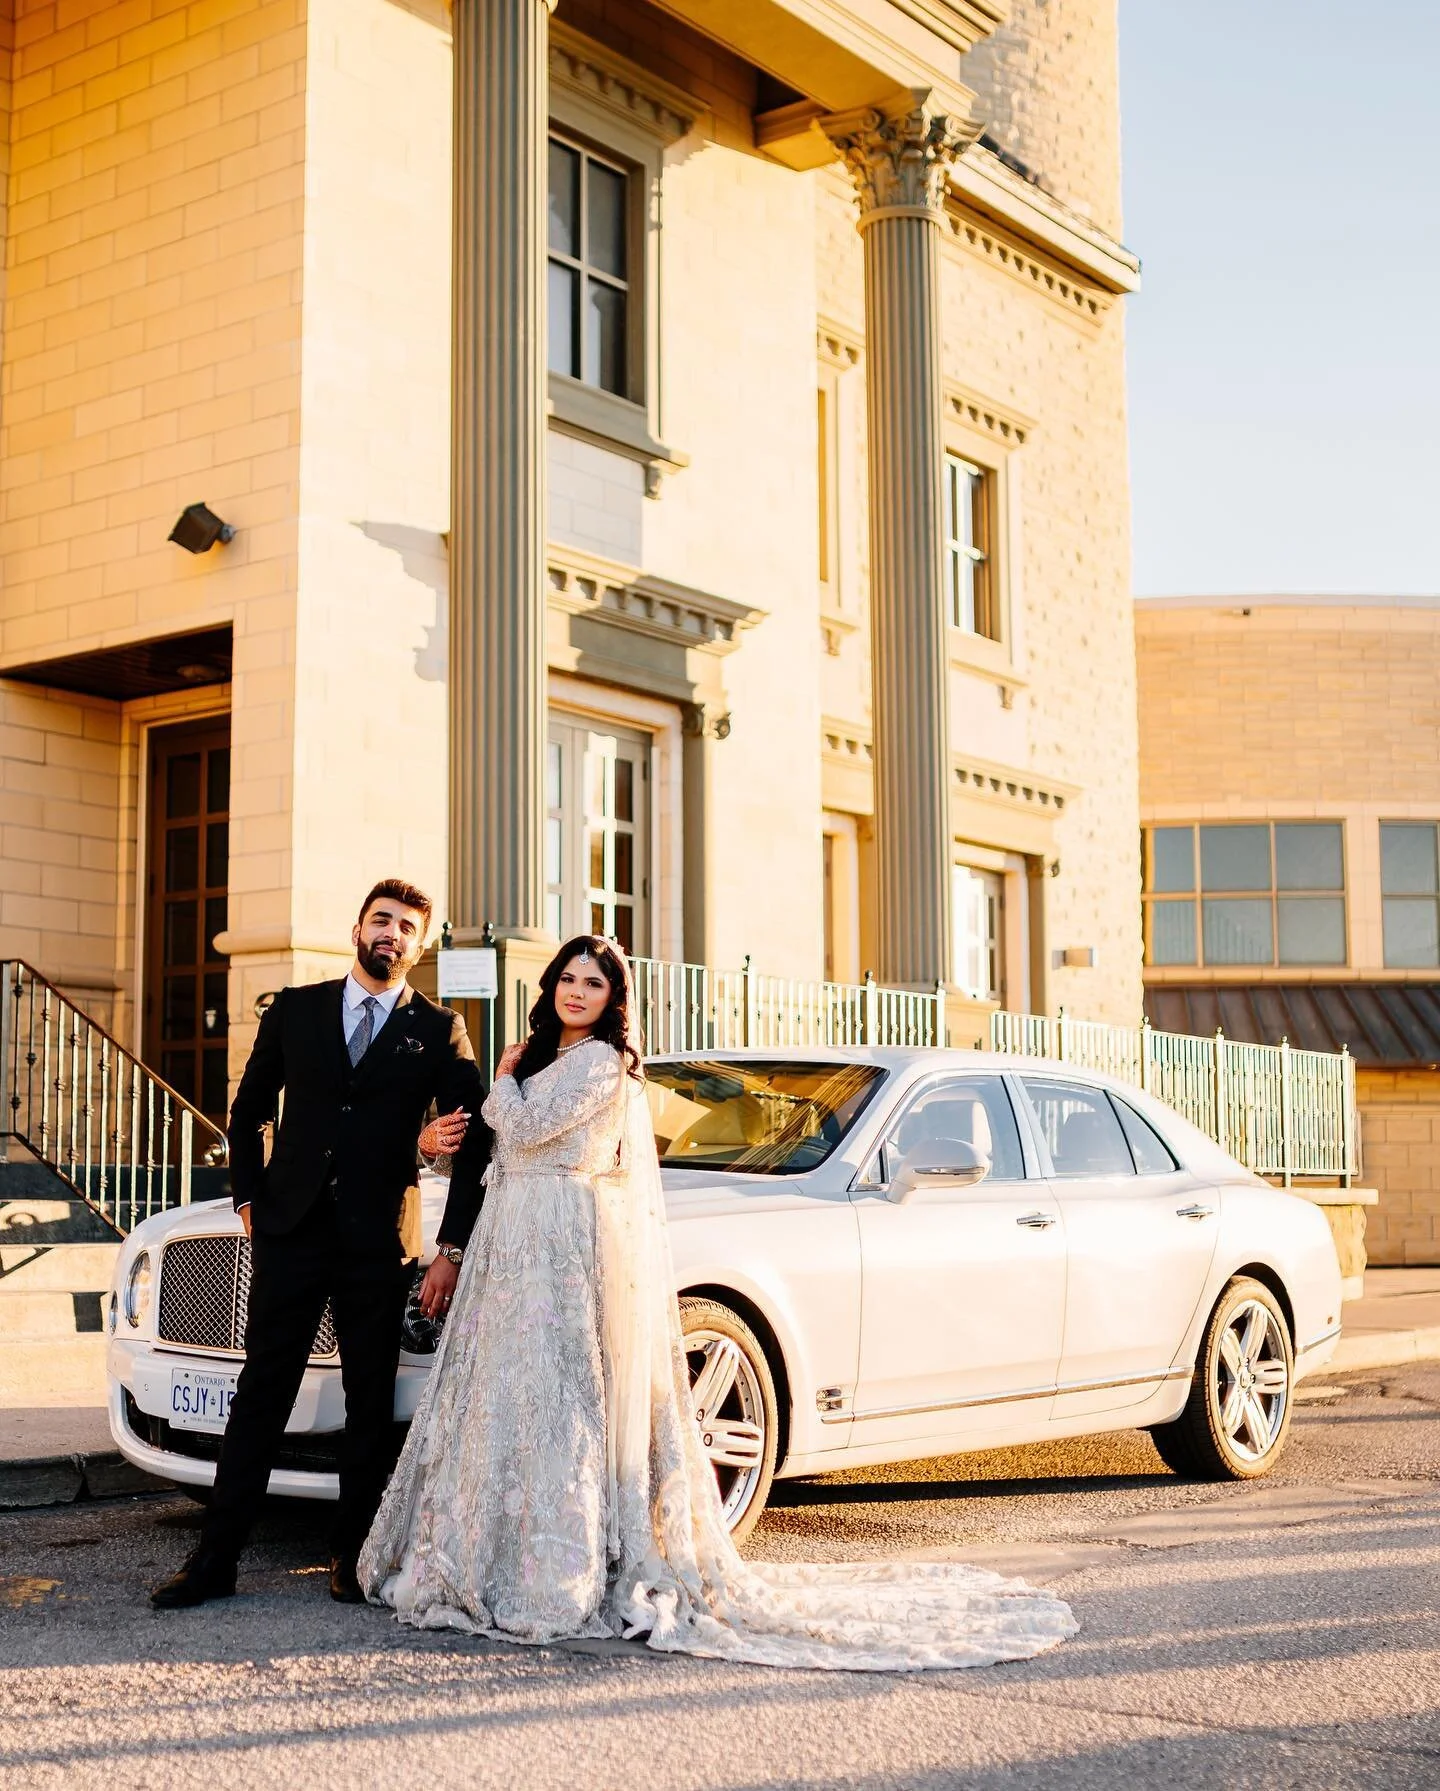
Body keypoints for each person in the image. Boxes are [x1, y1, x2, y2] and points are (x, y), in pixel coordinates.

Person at [359, 935, 1076, 1671]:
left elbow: (524, 1126)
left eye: (594, 983)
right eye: (567, 978)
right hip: (510, 1241)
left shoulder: (604, 1063)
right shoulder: (542, 1058)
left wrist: (503, 1080)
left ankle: (556, 1567)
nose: (576, 991)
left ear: (613, 999)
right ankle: (487, 1551)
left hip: (563, 1240)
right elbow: (494, 1148)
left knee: (564, 1401)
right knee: (507, 1398)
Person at [151, 879, 493, 1610]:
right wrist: (248, 1198)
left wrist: (451, 1245)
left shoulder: (439, 1029)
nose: (391, 933)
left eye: (407, 926)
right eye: (381, 920)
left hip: (378, 1240)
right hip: (291, 1232)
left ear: (420, 945)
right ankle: (215, 1559)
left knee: (367, 1402)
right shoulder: (296, 1008)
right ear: (357, 929)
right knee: (261, 1393)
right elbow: (248, 1109)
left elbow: (475, 1143)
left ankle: (352, 1556)